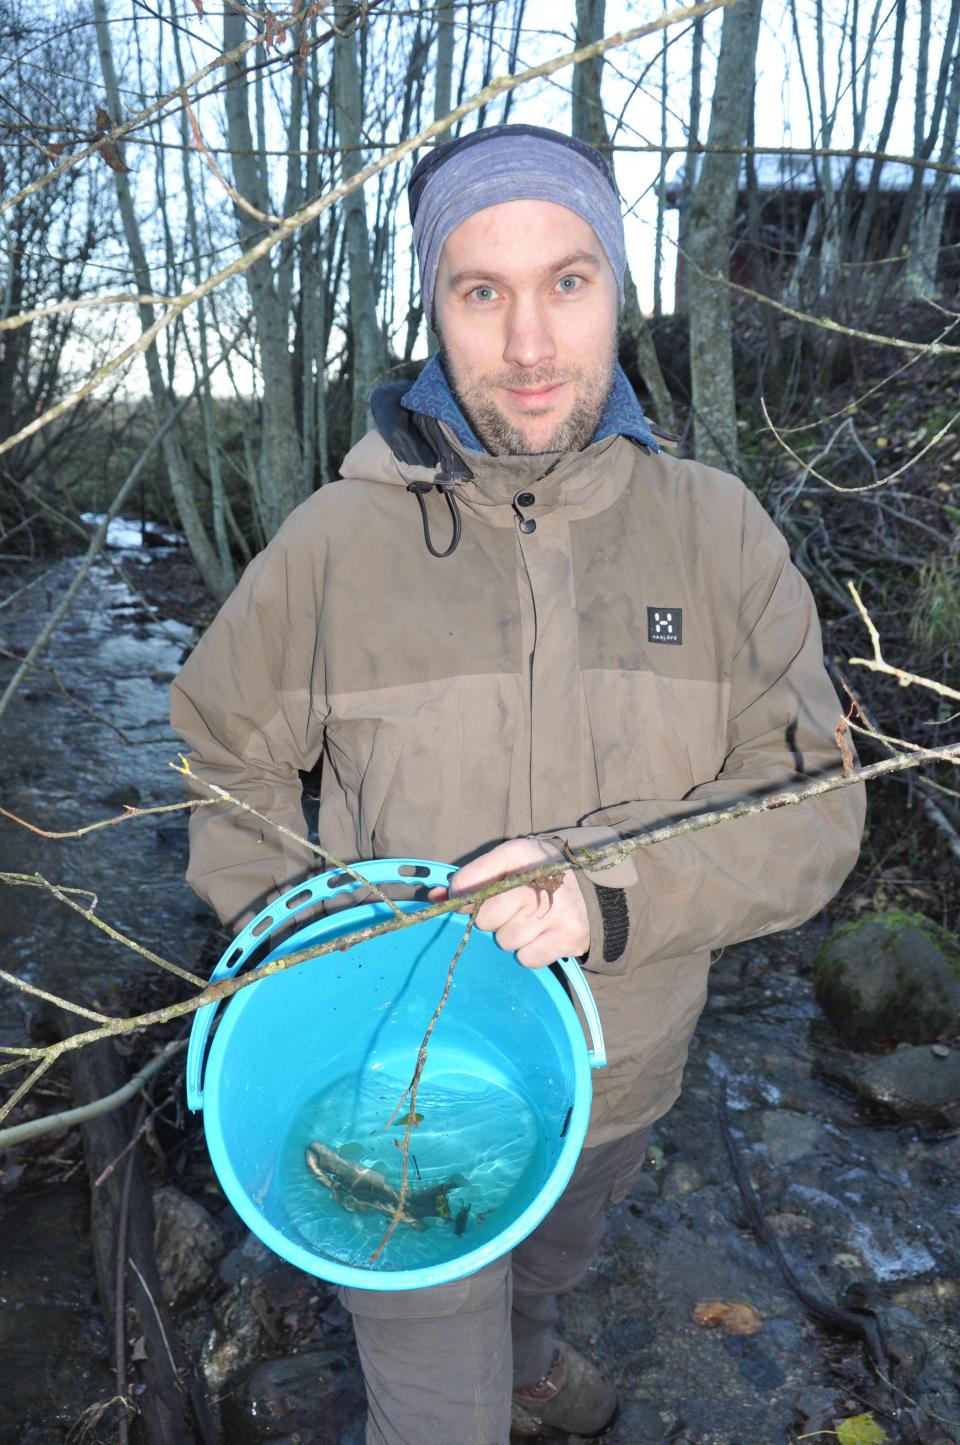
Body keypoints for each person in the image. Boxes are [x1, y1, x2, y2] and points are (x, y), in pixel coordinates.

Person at [171, 123, 865, 1444]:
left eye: (568, 280)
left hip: (629, 1072)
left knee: (554, 1254)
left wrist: (606, 882)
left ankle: (534, 1348)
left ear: (621, 282)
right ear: (429, 307)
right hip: (393, 1089)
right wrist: (305, 956)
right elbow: (219, 745)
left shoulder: (719, 536)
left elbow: (814, 804)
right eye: (480, 291)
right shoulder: (334, 544)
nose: (530, 344)